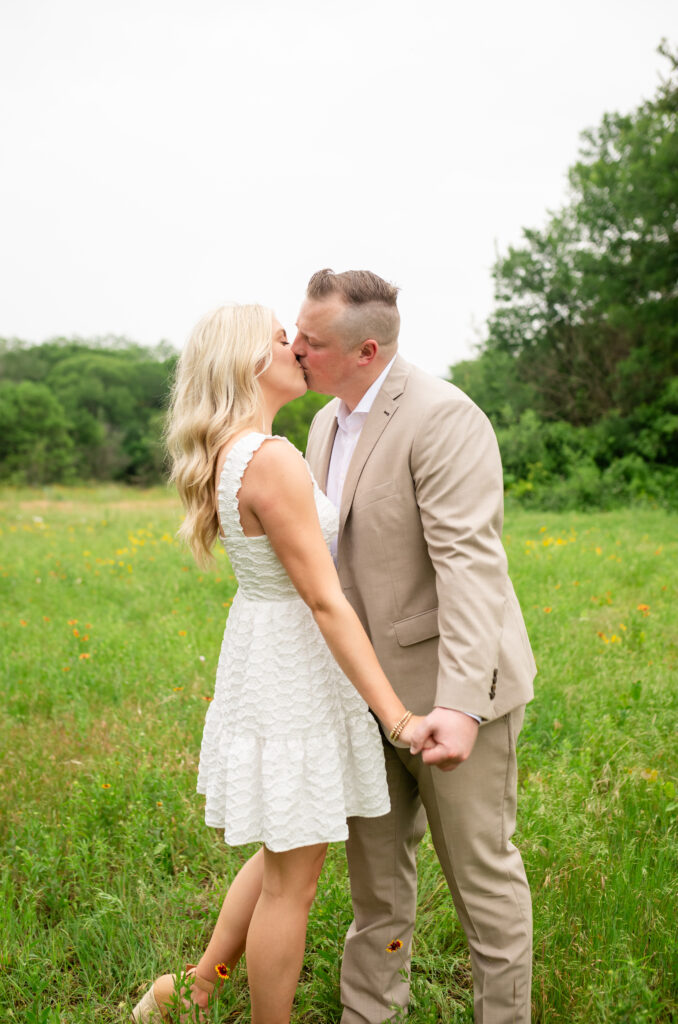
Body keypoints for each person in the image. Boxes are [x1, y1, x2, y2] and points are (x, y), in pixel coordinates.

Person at [131, 303, 430, 1023]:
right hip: (292, 663)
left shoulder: (234, 453)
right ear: (245, 363)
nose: (295, 348)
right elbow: (327, 602)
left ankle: (196, 988)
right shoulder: (270, 460)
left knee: (282, 852)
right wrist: (395, 715)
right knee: (292, 883)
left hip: (263, 650)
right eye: (278, 339)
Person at [292, 269, 537, 1024]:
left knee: (481, 882)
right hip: (366, 696)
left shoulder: (444, 418)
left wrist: (460, 706)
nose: (294, 349)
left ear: (367, 351)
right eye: (296, 332)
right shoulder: (324, 423)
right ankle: (369, 1015)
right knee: (376, 890)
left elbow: (472, 569)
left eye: (312, 341)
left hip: (449, 697)